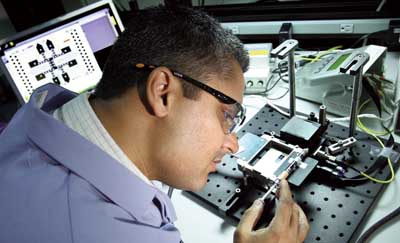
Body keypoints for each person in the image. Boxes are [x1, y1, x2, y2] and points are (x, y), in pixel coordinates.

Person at [0, 5, 309, 243]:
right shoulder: (113, 232)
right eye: (227, 116)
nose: (233, 144)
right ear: (163, 92)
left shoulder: (39, 114)